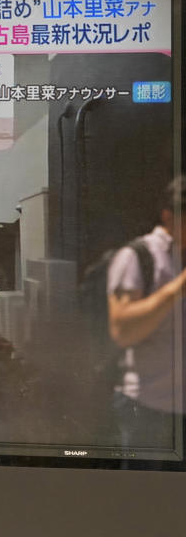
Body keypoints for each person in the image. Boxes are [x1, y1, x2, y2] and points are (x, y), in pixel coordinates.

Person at [108, 176, 186, 448]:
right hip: (148, 408)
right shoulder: (137, 256)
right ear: (169, 216)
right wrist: (178, 287)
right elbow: (122, 331)